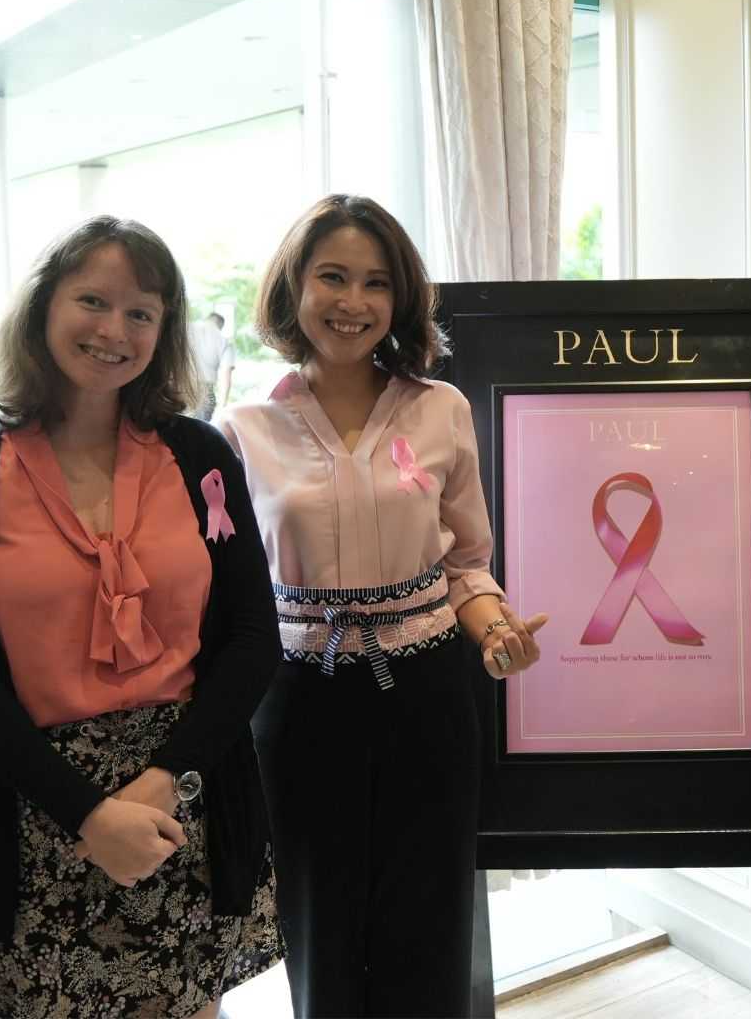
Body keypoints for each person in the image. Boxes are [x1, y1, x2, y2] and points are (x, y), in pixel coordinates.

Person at [0, 215, 282, 1019]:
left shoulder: (200, 456)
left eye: (142, 312)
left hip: (182, 800)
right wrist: (90, 815)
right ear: (43, 305)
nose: (115, 331)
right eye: (93, 301)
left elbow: (253, 637)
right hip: (32, 810)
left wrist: (166, 780)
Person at [215, 193, 548, 1018]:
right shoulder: (241, 426)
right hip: (298, 698)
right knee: (319, 929)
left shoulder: (441, 409)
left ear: (400, 298)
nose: (353, 302)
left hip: (426, 692)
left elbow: (466, 562)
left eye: (376, 282)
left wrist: (496, 632)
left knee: (428, 927)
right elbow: (224, 589)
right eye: (332, 277)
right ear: (294, 286)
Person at [190, 311, 235, 421]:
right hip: (205, 392)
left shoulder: (187, 328)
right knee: (199, 429)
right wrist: (222, 406)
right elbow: (226, 374)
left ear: (208, 319)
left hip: (178, 386)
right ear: (221, 326)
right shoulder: (224, 340)